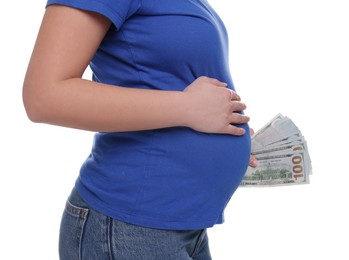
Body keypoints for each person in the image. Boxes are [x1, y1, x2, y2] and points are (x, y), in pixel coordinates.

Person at [23, 0, 257, 259]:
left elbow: (165, 77)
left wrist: (225, 125)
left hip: (180, 226)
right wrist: (189, 107)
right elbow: (43, 97)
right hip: (130, 227)